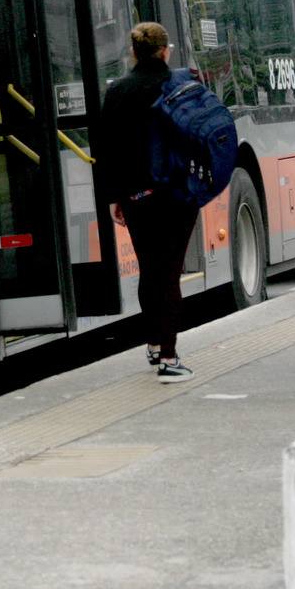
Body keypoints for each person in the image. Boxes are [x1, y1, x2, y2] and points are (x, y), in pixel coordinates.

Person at [95, 21, 196, 381]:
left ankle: (153, 344)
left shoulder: (118, 90)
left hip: (136, 195)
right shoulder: (182, 85)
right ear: (165, 50)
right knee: (169, 274)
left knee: (149, 268)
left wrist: (113, 198)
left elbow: (106, 149)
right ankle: (169, 357)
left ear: (133, 52)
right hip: (176, 195)